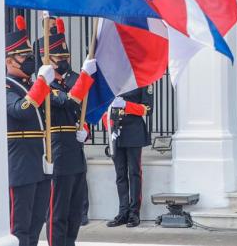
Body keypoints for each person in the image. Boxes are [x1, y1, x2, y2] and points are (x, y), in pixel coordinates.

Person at [37, 19, 96, 246]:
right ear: (47, 61)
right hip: (57, 155)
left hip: (75, 156)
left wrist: (86, 133)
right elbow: (69, 103)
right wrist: (85, 77)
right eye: (59, 59)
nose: (63, 62)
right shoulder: (43, 88)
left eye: (65, 58)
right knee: (57, 214)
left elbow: (81, 114)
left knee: (74, 214)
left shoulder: (69, 82)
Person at [4, 15, 52, 246]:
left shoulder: (28, 85)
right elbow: (20, 110)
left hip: (39, 164)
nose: (29, 60)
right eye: (24, 56)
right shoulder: (5, 85)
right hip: (20, 166)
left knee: (35, 226)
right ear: (9, 60)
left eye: (30, 56)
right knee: (19, 229)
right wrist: (41, 83)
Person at [105, 84, 154, 228]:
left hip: (133, 130)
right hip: (115, 131)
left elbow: (148, 109)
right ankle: (123, 212)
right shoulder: (112, 79)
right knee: (120, 174)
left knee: (134, 173)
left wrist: (126, 105)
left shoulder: (141, 81)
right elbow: (105, 108)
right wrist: (109, 127)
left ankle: (134, 213)